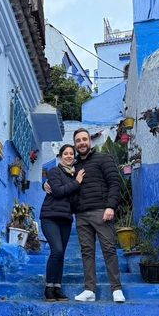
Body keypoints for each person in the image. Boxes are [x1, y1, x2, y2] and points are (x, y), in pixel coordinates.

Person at [44, 128, 125, 303]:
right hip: (81, 215)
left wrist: (110, 206)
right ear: (75, 144)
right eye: (78, 140)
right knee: (86, 252)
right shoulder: (73, 167)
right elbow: (60, 184)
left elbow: (114, 183)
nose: (81, 143)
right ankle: (89, 289)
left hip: (101, 212)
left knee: (109, 250)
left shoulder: (104, 159)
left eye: (84, 139)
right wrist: (46, 184)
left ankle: (116, 288)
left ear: (90, 141)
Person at [40, 144, 85, 302]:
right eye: (65, 153)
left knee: (61, 255)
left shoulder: (73, 175)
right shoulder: (54, 171)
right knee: (56, 250)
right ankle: (48, 288)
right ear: (60, 156)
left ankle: (57, 287)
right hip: (50, 216)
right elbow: (58, 191)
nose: (68, 156)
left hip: (65, 218)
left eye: (71, 154)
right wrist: (77, 182)